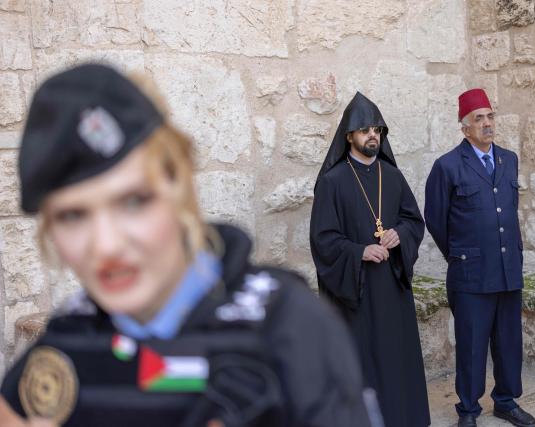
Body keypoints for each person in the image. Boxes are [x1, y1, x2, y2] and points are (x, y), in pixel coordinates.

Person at [0, 64, 378, 427]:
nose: (107, 245)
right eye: (72, 216)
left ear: (179, 189)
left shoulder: (290, 327)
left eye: (133, 201)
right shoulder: (63, 347)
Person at [310, 92, 430, 427]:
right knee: (364, 364)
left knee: (396, 362)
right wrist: (359, 251)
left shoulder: (391, 176)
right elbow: (322, 240)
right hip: (357, 296)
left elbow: (413, 221)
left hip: (392, 291)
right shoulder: (332, 182)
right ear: (349, 135)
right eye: (364, 130)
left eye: (377, 129)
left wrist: (399, 235)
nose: (372, 135)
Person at [423, 88, 535, 427]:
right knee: (471, 346)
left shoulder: (508, 159)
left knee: (508, 342)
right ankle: (469, 410)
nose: (487, 123)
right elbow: (436, 219)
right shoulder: (447, 166)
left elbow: (508, 211)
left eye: (490, 116)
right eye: (479, 118)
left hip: (507, 270)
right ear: (464, 127)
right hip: (470, 273)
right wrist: (461, 254)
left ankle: (505, 401)